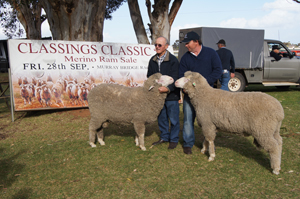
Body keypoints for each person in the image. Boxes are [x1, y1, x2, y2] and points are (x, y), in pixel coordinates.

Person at [179, 31, 222, 154]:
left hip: (207, 95)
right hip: (189, 95)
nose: (186, 45)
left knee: (207, 119)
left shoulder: (211, 53)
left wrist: (205, 83)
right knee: (188, 118)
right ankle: (188, 143)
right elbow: (181, 75)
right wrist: (185, 87)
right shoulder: (185, 58)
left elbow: (218, 70)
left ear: (196, 42)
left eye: (188, 43)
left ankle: (208, 141)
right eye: (185, 43)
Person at [147, 36, 181, 149]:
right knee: (161, 117)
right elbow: (150, 77)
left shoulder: (173, 60)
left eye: (159, 45)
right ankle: (164, 137)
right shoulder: (152, 60)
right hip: (158, 95)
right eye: (156, 45)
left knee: (174, 119)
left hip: (171, 95)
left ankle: (174, 139)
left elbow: (176, 77)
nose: (157, 47)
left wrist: (168, 88)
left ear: (166, 46)